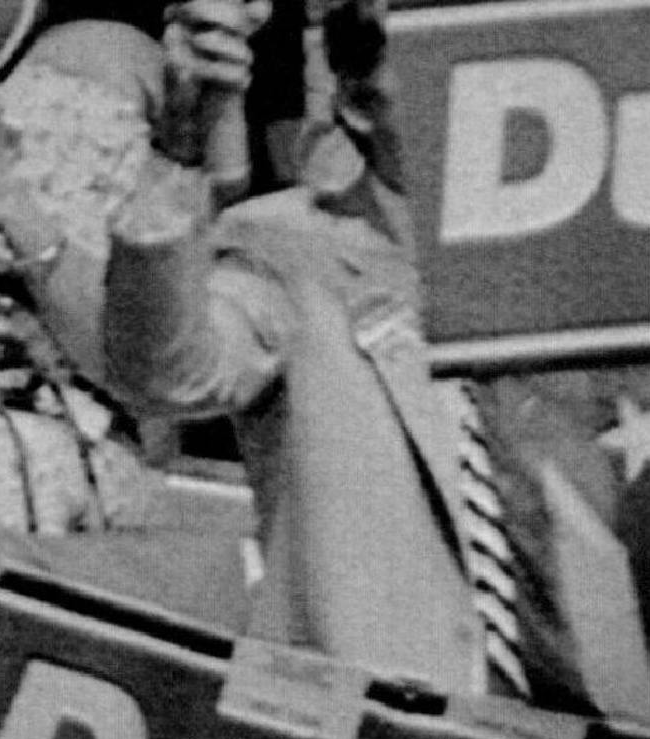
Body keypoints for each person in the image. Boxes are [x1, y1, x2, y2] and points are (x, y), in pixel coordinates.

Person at [97, 0, 488, 693]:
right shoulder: (286, 248)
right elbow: (167, 374)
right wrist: (177, 152)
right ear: (361, 105)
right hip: (381, 737)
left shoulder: (612, 261)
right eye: (439, 52)